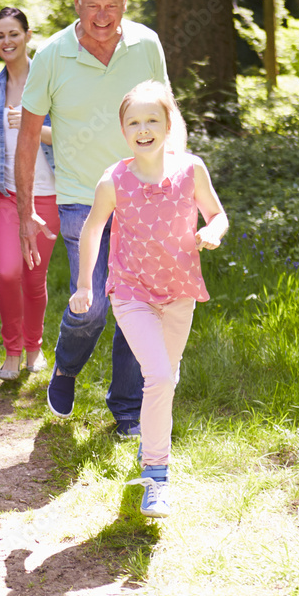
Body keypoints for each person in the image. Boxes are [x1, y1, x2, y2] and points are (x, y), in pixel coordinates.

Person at [15, 0, 170, 431]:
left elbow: (169, 113)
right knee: (95, 305)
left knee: (136, 305)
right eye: (92, 5)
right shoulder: (51, 55)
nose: (102, 17)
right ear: (76, 1)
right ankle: (65, 366)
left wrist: (177, 181)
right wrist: (24, 211)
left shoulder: (147, 44)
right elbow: (26, 136)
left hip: (143, 194)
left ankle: (125, 407)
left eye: (113, 6)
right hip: (83, 197)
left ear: (126, 1)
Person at [69, 81, 228, 517]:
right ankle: (157, 477)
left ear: (168, 124)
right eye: (134, 122)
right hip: (131, 290)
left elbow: (217, 213)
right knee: (157, 375)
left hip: (180, 292)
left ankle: (151, 448)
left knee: (166, 379)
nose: (143, 129)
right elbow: (92, 230)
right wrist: (85, 284)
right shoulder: (114, 179)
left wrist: (211, 231)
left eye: (152, 120)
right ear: (123, 130)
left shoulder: (191, 170)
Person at [0, 7, 60, 380]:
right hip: (4, 194)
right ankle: (12, 350)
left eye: (13, 33)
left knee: (34, 275)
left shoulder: (50, 82)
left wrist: (33, 128)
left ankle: (34, 348)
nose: (7, 41)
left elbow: (70, 136)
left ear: (28, 35)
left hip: (47, 194)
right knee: (8, 272)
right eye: (0, 35)